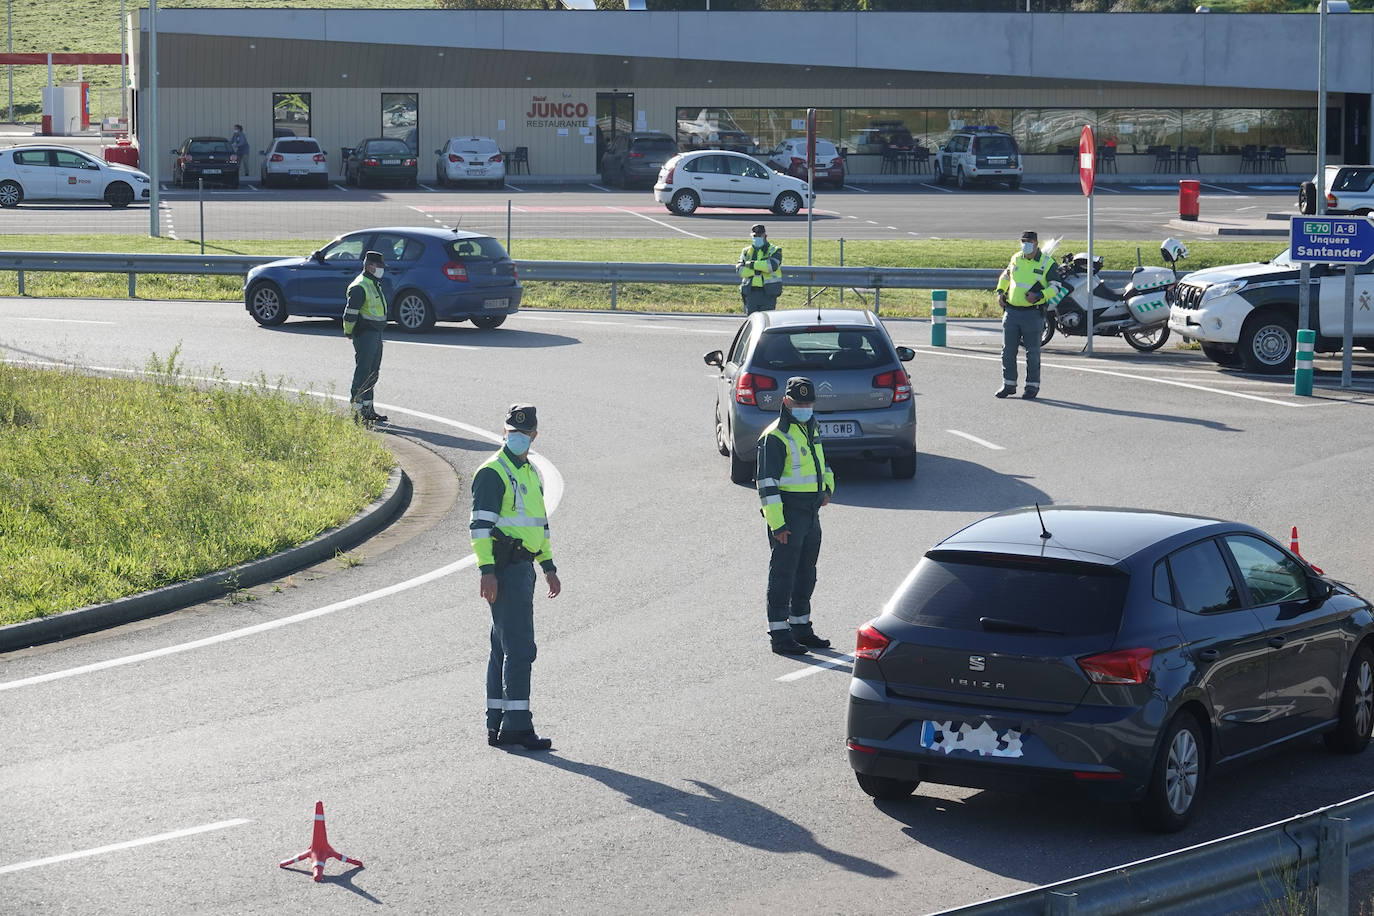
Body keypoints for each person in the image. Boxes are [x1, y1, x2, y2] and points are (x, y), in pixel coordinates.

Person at [471, 404, 562, 751]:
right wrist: (487, 571)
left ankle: (497, 723)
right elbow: (479, 527)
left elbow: (539, 524)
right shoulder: (493, 472)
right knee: (521, 649)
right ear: (503, 432)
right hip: (505, 569)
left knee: (503, 648)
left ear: (534, 436)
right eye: (512, 432)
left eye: (524, 433)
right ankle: (517, 726)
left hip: (524, 568)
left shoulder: (528, 473)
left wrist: (548, 566)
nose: (518, 437)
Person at [756, 377, 833, 656]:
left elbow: (822, 464)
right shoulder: (775, 436)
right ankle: (779, 634)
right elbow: (767, 485)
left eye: (808, 403)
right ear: (785, 402)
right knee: (783, 575)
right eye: (798, 403)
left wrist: (827, 489)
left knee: (806, 573)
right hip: (788, 513)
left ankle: (801, 627)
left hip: (810, 511)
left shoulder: (811, 427)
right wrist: (778, 524)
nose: (804, 408)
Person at [993, 229, 1060, 400]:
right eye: (1023, 242)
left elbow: (1056, 288)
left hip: (1033, 314)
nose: (1025, 245)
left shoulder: (1047, 263)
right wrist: (1000, 292)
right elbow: (1006, 276)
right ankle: (1008, 384)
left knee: (1032, 353)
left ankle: (1032, 386)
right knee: (1007, 351)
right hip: (1012, 312)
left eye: (1029, 242)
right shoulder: (1016, 258)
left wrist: (1039, 295)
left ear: (1036, 244)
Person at [343, 250, 389, 423]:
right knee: (363, 372)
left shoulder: (373, 283)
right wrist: (349, 331)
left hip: (376, 332)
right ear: (370, 266)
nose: (382, 269)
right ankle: (356, 413)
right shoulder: (360, 286)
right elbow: (350, 314)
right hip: (365, 333)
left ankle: (368, 410)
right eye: (380, 266)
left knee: (372, 372)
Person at [737, 223, 783, 314]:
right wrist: (760, 269)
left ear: (765, 236)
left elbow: (772, 266)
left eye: (759, 236)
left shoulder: (775, 250)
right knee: (752, 319)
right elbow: (740, 271)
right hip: (751, 293)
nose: (757, 238)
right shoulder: (746, 251)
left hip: (768, 294)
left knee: (766, 319)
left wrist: (751, 265)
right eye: (755, 236)